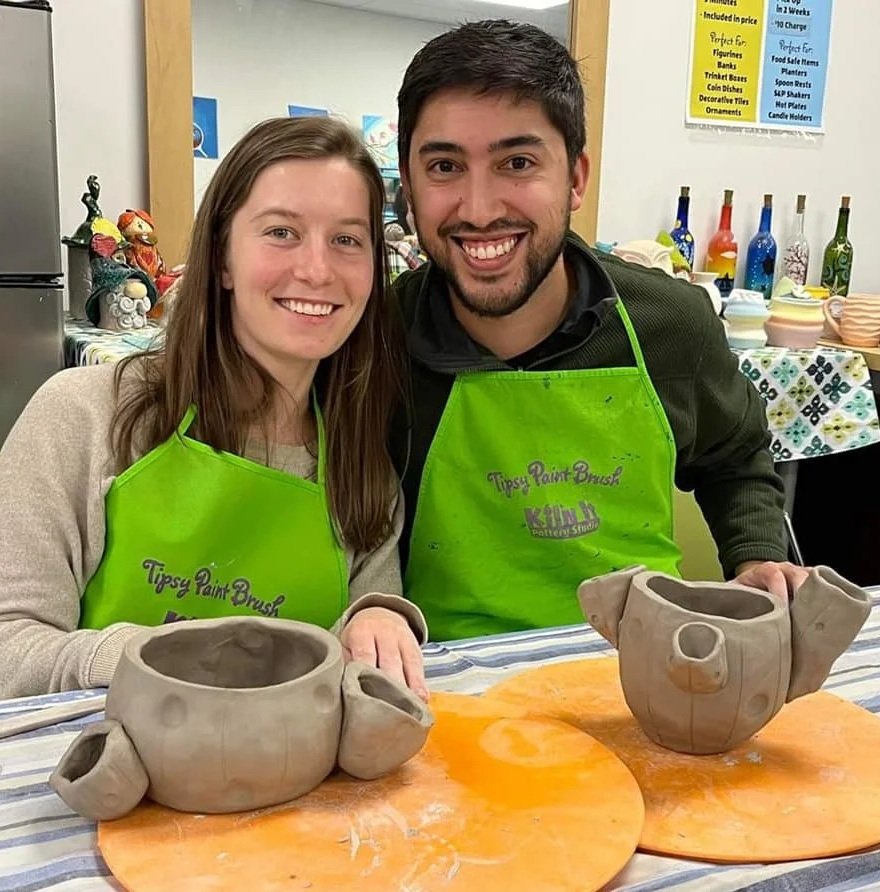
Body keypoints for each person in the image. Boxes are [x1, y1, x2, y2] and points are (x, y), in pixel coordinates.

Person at [390, 20, 807, 642]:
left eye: (518, 162)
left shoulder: (671, 324)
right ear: (410, 186)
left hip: (644, 664)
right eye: (445, 166)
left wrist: (757, 555)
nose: (478, 209)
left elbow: (735, 459)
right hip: (445, 677)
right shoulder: (378, 339)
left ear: (576, 179)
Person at [0, 117, 428, 700]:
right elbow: (8, 646)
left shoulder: (364, 470)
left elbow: (359, 664)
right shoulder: (83, 417)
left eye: (348, 239)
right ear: (223, 257)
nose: (318, 269)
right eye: (281, 232)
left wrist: (376, 620)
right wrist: (151, 660)